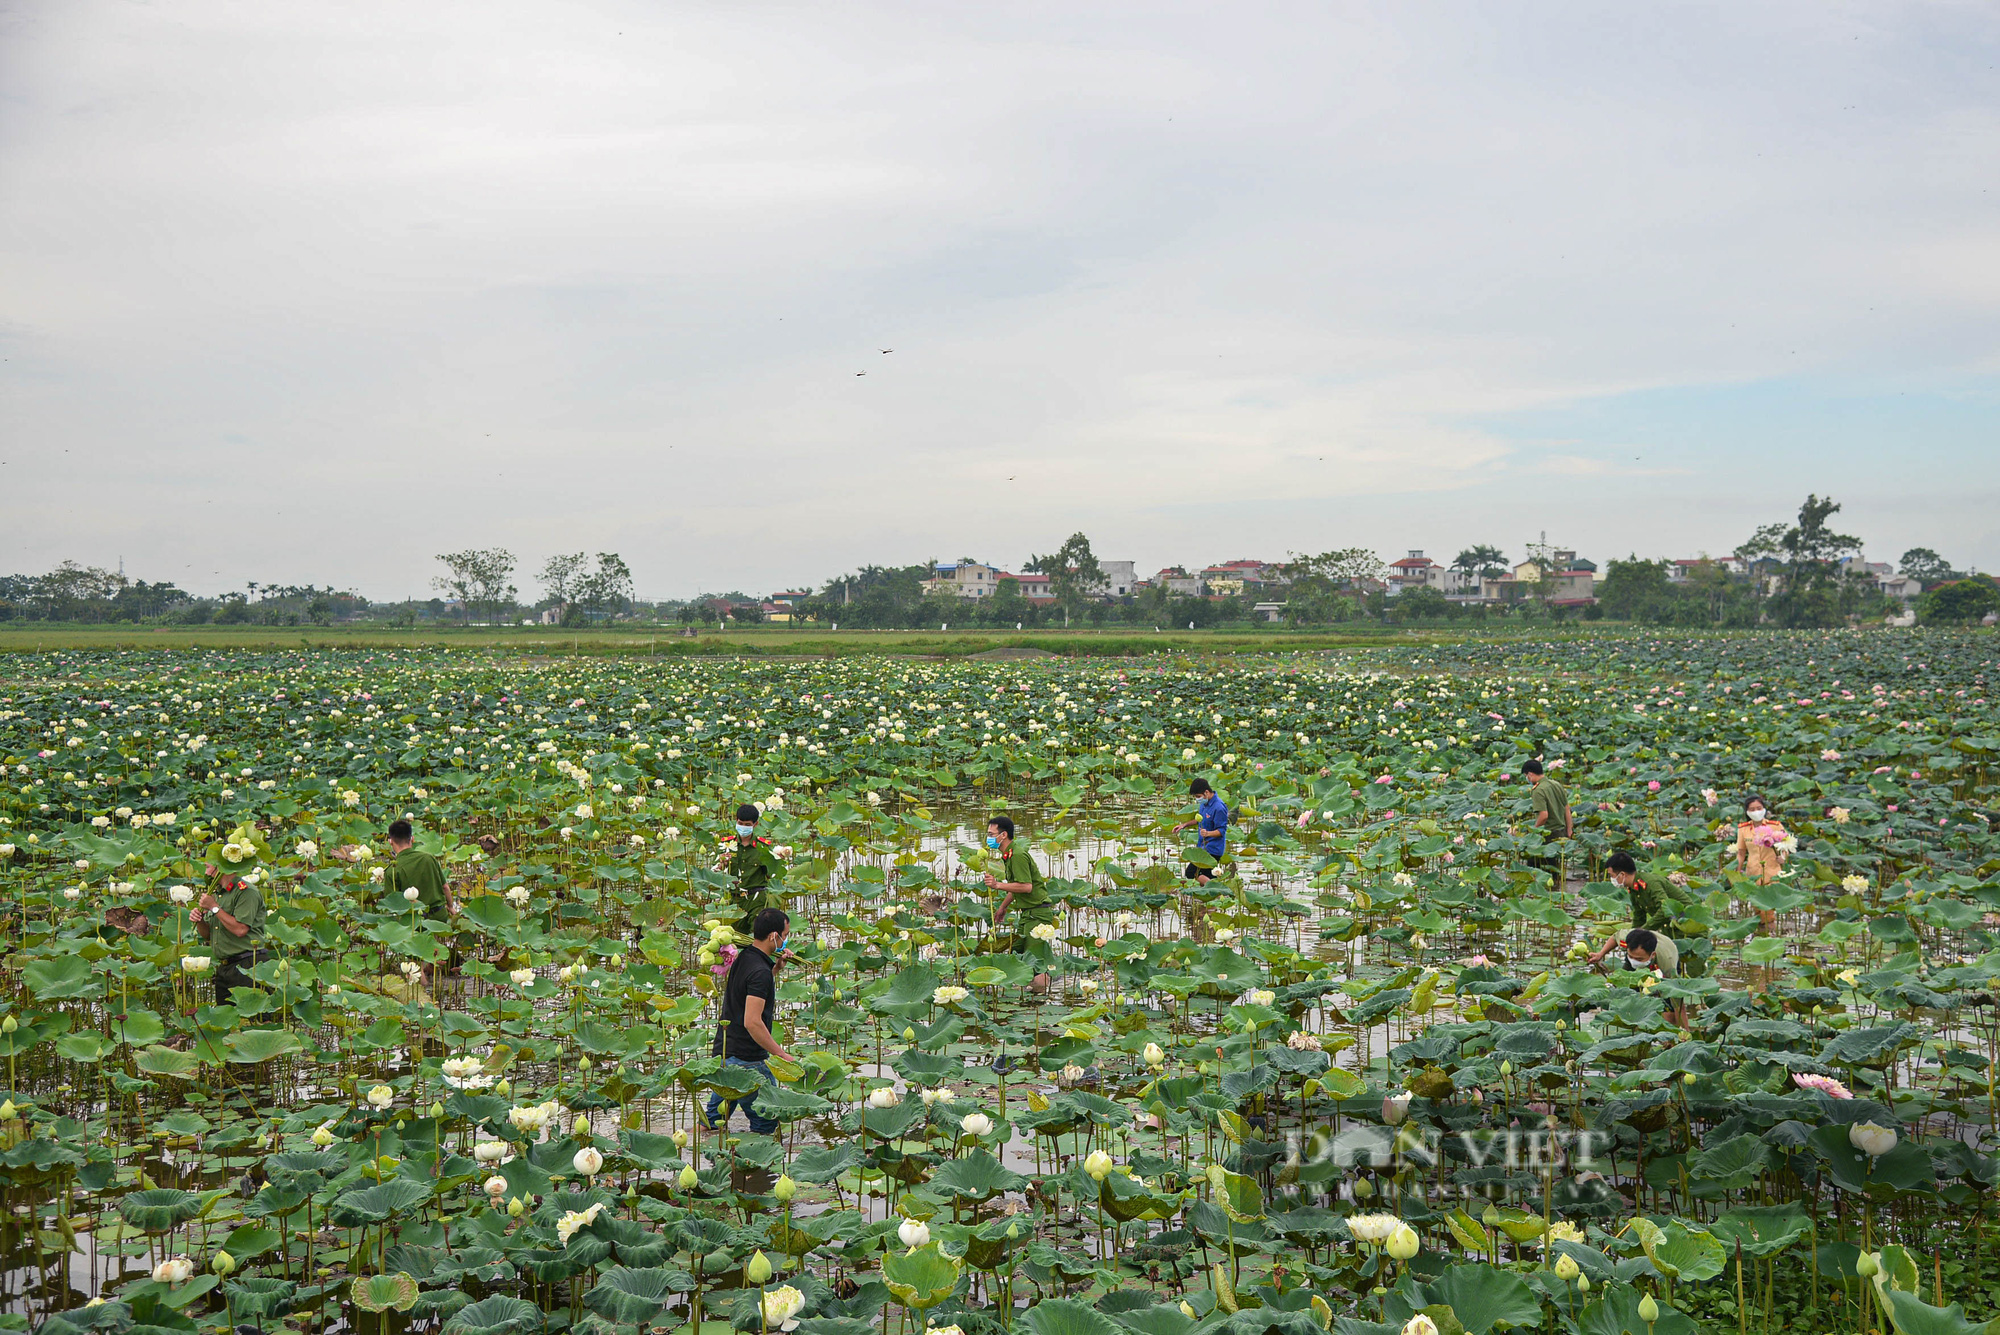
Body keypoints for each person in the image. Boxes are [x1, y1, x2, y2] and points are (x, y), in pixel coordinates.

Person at [703, 907, 795, 1134]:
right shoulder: (759, 972)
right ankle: (760, 1170)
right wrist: (781, 1054)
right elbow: (752, 1022)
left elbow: (751, 989)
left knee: (710, 1125)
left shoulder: (745, 958)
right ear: (774, 936)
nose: (786, 939)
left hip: (726, 1055)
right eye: (786, 934)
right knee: (768, 1127)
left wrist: (775, 968)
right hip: (748, 1062)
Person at [985, 815, 1053, 992]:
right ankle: (1031, 996)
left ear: (1003, 835)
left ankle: (1040, 1002)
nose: (989, 838)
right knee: (1024, 959)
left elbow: (1027, 887)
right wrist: (1003, 907)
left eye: (991, 834)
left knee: (1036, 964)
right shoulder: (1009, 855)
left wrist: (997, 885)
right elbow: (1016, 887)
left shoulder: (1018, 855)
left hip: (1037, 914)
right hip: (1027, 914)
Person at [190, 869, 267, 1004]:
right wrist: (199, 920)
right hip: (225, 968)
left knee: (255, 1019)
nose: (206, 872)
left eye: (207, 866)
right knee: (226, 1020)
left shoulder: (246, 891)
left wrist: (214, 907)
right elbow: (209, 935)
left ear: (219, 866)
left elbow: (240, 929)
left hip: (249, 965)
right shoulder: (217, 894)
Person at [1586, 852, 1671, 965]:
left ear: (1622, 875)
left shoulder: (1650, 883)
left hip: (1685, 926)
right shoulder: (1634, 889)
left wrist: (1643, 933)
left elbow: (1666, 908)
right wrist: (1633, 939)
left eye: (1612, 876)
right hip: (1669, 927)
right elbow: (1638, 918)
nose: (1612, 879)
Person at [719, 803, 785, 934]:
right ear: (736, 821)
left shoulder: (763, 847)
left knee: (757, 935)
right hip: (735, 899)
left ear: (755, 824)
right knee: (734, 938)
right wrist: (722, 864)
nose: (743, 827)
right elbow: (717, 872)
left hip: (757, 898)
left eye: (747, 824)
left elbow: (772, 874)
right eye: (740, 823)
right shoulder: (727, 845)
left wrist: (778, 860)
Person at [1733, 795, 1788, 928]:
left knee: (1768, 911)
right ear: (1747, 812)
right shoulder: (1743, 828)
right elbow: (1741, 853)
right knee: (1758, 911)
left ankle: (1771, 936)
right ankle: (1760, 936)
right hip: (1753, 873)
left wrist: (1783, 857)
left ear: (1764, 809)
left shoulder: (1775, 826)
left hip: (1772, 872)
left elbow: (1786, 845)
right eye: (1752, 809)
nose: (1756, 811)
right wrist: (1736, 872)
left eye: (1759, 808)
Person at [384, 819, 455, 919]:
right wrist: (451, 907)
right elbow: (445, 887)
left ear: (390, 842)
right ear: (412, 839)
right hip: (439, 917)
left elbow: (392, 904)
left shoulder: (392, 870)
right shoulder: (429, 858)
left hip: (414, 921)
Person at [1521, 758, 1571, 886]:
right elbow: (1567, 809)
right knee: (1554, 872)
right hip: (1561, 833)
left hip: (1548, 834)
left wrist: (1533, 832)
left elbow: (1543, 816)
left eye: (1526, 776)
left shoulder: (1538, 790)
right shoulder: (1556, 784)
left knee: (1535, 870)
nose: (1527, 779)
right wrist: (1569, 830)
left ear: (1530, 774)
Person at [1171, 778, 1230, 886]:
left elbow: (1221, 831)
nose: (1197, 799)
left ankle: (1218, 892)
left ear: (1206, 792)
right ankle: (1214, 896)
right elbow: (1200, 819)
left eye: (1198, 796)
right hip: (1202, 846)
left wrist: (1208, 833)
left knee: (1192, 872)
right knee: (1208, 876)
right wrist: (1183, 825)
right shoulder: (1204, 803)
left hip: (1213, 849)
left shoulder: (1219, 807)